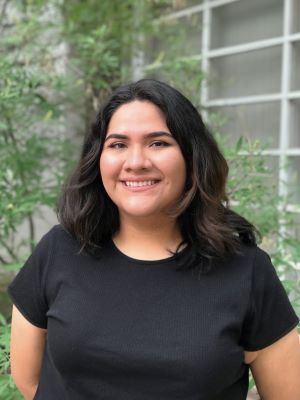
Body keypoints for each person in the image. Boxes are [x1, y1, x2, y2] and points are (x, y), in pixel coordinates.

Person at [8, 79, 300, 400]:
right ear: (98, 159)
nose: (136, 162)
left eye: (158, 143)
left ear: (192, 157)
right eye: (118, 144)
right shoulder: (59, 250)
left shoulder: (246, 271)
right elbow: (29, 381)